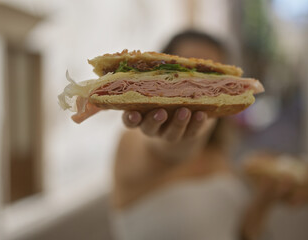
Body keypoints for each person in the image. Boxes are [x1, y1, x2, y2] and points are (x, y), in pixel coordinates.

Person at [106, 30, 297, 240]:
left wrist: (266, 198)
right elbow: (169, 150)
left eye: (211, 76)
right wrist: (183, 134)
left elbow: (241, 233)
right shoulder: (133, 141)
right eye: (184, 71)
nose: (199, 86)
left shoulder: (218, 151)